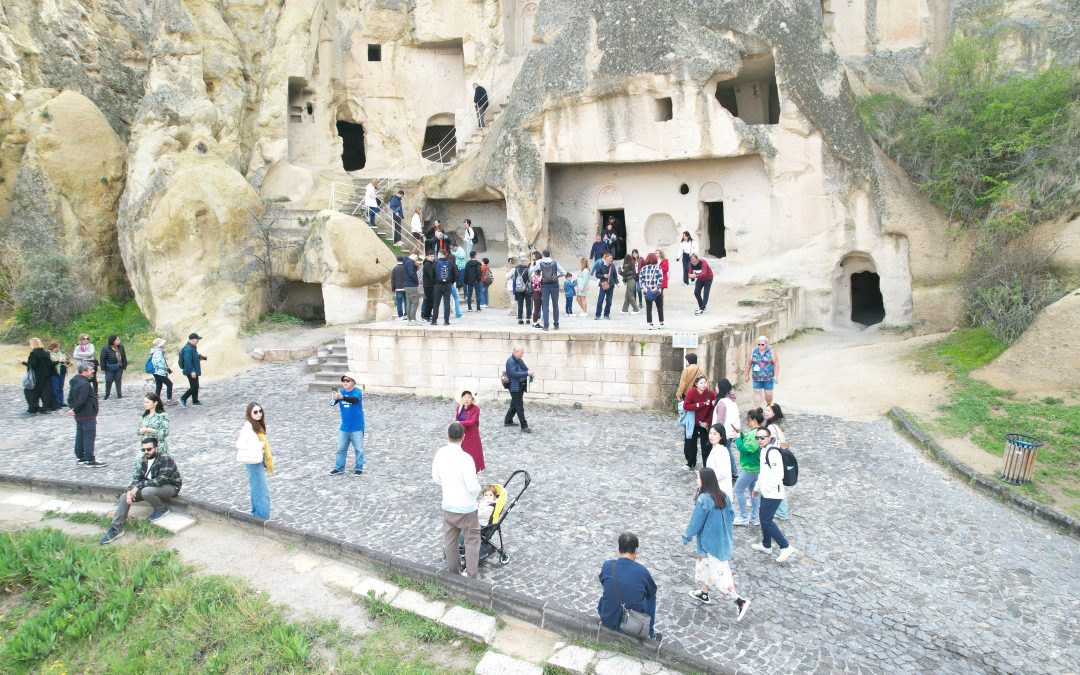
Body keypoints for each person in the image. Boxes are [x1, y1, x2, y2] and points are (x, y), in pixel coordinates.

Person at [682, 468, 751, 621]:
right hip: (723, 540)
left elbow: (696, 522)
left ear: (704, 480)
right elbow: (732, 515)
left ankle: (739, 601)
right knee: (707, 568)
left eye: (698, 478)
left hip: (710, 544)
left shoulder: (704, 500)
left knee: (720, 575)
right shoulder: (723, 496)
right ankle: (704, 593)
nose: (696, 480)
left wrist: (687, 536)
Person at [100, 437, 181, 544]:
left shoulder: (165, 459)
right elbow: (136, 479)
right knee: (125, 497)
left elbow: (161, 480)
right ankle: (116, 528)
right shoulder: (143, 461)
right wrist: (129, 491)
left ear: (156, 448)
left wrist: (139, 486)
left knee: (146, 491)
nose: (146, 452)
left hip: (170, 487)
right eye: (143, 450)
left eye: (149, 449)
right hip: (150, 488)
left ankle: (161, 509)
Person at [432, 421, 482, 578]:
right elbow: (472, 486)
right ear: (464, 437)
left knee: (450, 541)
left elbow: (436, 478)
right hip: (466, 508)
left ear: (447, 435)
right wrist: (478, 492)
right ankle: (472, 576)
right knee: (472, 541)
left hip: (448, 505)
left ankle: (454, 573)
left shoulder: (440, 453)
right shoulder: (466, 458)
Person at [596, 532, 659, 640]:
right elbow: (652, 591)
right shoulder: (642, 571)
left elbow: (603, 582)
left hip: (608, 620)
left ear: (619, 549)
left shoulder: (607, 565)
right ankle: (650, 634)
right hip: (632, 626)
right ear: (636, 549)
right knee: (651, 597)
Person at [751, 426, 795, 562]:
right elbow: (763, 472)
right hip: (766, 491)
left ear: (769, 437)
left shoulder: (773, 452)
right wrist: (758, 488)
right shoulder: (764, 450)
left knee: (766, 521)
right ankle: (766, 544)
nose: (759, 440)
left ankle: (785, 546)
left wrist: (766, 488)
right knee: (763, 517)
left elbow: (778, 475)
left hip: (773, 493)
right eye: (757, 437)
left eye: (762, 437)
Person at [236, 402, 273, 520]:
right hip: (254, 462)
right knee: (262, 491)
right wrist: (259, 446)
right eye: (255, 412)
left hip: (257, 460)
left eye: (260, 411)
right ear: (249, 413)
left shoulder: (256, 425)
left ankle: (257, 513)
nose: (259, 414)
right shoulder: (248, 427)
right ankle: (262, 517)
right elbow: (239, 444)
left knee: (257, 488)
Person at [67, 362, 104, 467]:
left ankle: (80, 458)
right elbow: (82, 400)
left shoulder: (75, 381)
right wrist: (75, 410)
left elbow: (70, 398)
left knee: (80, 436)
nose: (93, 371)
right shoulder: (84, 384)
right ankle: (90, 460)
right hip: (87, 414)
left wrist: (73, 409)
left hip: (79, 415)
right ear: (84, 371)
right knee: (88, 437)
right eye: (91, 369)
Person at [733, 409, 764, 526]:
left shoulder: (755, 433)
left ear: (754, 421)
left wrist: (737, 438)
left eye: (748, 420)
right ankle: (755, 518)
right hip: (756, 467)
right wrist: (741, 434)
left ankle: (743, 516)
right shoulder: (756, 432)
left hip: (750, 468)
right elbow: (748, 443)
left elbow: (745, 450)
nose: (746, 422)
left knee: (738, 489)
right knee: (754, 492)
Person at [330, 373, 365, 475]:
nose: (345, 382)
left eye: (347, 380)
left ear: (353, 382)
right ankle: (339, 468)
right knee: (340, 449)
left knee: (359, 449)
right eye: (343, 380)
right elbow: (332, 403)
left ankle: (359, 468)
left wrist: (342, 397)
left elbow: (354, 400)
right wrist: (334, 398)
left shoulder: (357, 392)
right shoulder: (340, 392)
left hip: (357, 426)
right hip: (344, 427)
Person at [762, 402, 791, 520]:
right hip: (777, 456)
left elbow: (771, 444)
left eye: (768, 411)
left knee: (776, 484)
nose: (765, 412)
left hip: (774, 458)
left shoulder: (770, 427)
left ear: (774, 413)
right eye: (766, 410)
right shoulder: (776, 424)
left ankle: (782, 512)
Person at [682, 375, 715, 470]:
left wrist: (707, 422)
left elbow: (712, 410)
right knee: (690, 443)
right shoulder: (691, 392)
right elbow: (686, 406)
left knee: (706, 444)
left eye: (705, 382)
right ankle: (690, 462)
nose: (704, 385)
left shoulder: (710, 394)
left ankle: (707, 464)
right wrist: (701, 404)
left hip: (705, 422)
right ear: (696, 384)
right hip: (693, 422)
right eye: (701, 383)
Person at [135, 393, 170, 475]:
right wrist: (141, 431)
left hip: (158, 445)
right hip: (146, 446)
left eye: (147, 402)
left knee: (157, 469)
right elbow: (138, 431)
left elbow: (165, 433)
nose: (145, 404)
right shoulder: (145, 416)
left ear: (155, 403)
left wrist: (150, 430)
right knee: (139, 463)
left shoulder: (162, 416)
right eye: (144, 402)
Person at [712, 378, 740, 481]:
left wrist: (716, 433)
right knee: (728, 451)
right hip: (731, 432)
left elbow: (720, 421)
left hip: (724, 433)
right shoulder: (732, 401)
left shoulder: (722, 403)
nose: (715, 388)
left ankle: (729, 472)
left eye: (716, 386)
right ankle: (734, 472)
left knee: (722, 452)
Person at [531, 249, 565, 331]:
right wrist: (557, 276)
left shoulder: (540, 263)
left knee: (545, 306)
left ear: (543, 255)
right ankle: (556, 325)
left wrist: (533, 263)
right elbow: (564, 272)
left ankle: (546, 326)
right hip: (554, 285)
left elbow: (531, 270)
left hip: (545, 286)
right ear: (549, 255)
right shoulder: (555, 263)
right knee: (555, 305)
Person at [503, 345, 533, 433]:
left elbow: (525, 369)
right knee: (519, 406)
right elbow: (513, 374)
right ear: (516, 352)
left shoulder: (520, 360)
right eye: (521, 353)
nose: (522, 354)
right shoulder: (510, 361)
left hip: (521, 385)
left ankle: (508, 420)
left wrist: (529, 373)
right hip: (514, 387)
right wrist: (527, 373)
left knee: (514, 404)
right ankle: (524, 426)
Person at [22, 338, 56, 414]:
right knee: (45, 392)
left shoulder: (33, 354)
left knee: (30, 391)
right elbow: (50, 365)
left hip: (36, 376)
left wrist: (22, 362)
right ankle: (47, 407)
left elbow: (32, 365)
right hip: (46, 376)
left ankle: (33, 408)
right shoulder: (46, 353)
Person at [744, 336, 779, 407]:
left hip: (768, 378)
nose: (760, 346)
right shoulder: (753, 352)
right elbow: (748, 364)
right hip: (756, 378)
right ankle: (757, 410)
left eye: (762, 344)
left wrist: (776, 376)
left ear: (766, 344)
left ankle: (770, 407)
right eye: (759, 344)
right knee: (757, 394)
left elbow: (776, 364)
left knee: (768, 395)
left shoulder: (771, 352)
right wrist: (746, 375)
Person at [455, 391, 485, 473]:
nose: (466, 399)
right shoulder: (459, 408)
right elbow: (456, 419)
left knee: (473, 456)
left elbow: (472, 421)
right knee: (461, 455)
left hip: (472, 437)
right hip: (461, 436)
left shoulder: (476, 409)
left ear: (472, 399)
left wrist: (459, 423)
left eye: (469, 397)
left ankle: (472, 474)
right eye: (465, 397)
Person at [430, 249, 459, 326]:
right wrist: (450, 282)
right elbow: (456, 275)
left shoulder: (435, 263)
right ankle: (446, 321)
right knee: (447, 303)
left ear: (439, 254)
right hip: (448, 285)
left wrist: (435, 283)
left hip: (437, 285)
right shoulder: (450, 263)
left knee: (436, 303)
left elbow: (431, 275)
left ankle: (434, 321)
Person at [179, 333, 205, 407]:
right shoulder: (188, 349)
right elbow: (187, 361)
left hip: (192, 369)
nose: (198, 341)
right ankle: (183, 399)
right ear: (193, 340)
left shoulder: (191, 347)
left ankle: (195, 401)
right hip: (190, 370)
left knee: (195, 386)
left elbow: (192, 359)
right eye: (197, 339)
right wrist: (192, 371)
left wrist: (199, 358)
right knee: (194, 386)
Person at [639, 253, 664, 329]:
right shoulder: (658, 268)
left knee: (648, 307)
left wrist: (646, 289)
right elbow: (660, 279)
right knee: (659, 307)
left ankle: (650, 324)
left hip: (647, 292)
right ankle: (661, 324)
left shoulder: (643, 268)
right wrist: (656, 288)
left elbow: (641, 280)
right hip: (657, 291)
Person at [99, 335, 128, 400]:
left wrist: (125, 364)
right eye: (117, 340)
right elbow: (102, 359)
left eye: (119, 339)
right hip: (110, 367)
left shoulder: (121, 347)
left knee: (118, 380)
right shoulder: (105, 349)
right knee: (108, 380)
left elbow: (124, 356)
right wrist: (103, 368)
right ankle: (107, 394)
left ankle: (119, 394)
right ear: (113, 341)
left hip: (119, 366)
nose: (119, 340)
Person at [592, 251, 619, 320]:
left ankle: (606, 314)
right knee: (600, 300)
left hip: (611, 285)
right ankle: (597, 315)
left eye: (611, 258)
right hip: (603, 285)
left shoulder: (612, 266)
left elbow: (615, 275)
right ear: (606, 258)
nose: (611, 259)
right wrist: (603, 275)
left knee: (609, 301)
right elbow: (597, 274)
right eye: (610, 258)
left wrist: (617, 282)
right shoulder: (600, 265)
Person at [706, 424, 732, 493]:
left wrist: (706, 479)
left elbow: (722, 473)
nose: (711, 436)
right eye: (710, 433)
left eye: (715, 434)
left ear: (721, 436)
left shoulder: (720, 450)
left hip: (719, 490)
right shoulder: (715, 448)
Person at [148, 338, 175, 403]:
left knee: (159, 386)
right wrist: (166, 368)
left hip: (156, 372)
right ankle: (169, 400)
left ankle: (156, 401)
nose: (164, 345)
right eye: (162, 344)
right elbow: (157, 363)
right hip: (159, 372)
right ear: (160, 345)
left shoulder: (155, 352)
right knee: (169, 384)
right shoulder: (158, 352)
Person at [48, 341, 69, 408]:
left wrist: (67, 361)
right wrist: (58, 361)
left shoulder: (61, 353)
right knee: (55, 388)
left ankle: (61, 402)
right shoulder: (49, 354)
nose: (58, 349)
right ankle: (56, 403)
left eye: (58, 347)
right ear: (52, 348)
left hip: (62, 372)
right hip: (54, 373)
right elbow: (50, 364)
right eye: (56, 348)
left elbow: (67, 362)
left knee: (61, 388)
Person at [402, 253, 421, 324]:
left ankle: (409, 319)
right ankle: (413, 319)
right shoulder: (410, 262)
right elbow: (412, 273)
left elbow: (411, 271)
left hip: (407, 285)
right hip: (412, 285)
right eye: (417, 257)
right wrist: (417, 281)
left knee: (409, 302)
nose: (417, 259)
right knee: (415, 302)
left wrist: (416, 266)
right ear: (413, 255)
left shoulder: (406, 261)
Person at [421, 251, 436, 321]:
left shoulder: (431, 263)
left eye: (433, 256)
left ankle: (428, 314)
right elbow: (431, 274)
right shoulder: (427, 264)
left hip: (431, 285)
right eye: (431, 256)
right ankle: (426, 316)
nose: (432, 258)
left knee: (431, 300)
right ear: (427, 257)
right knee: (429, 300)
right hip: (428, 285)